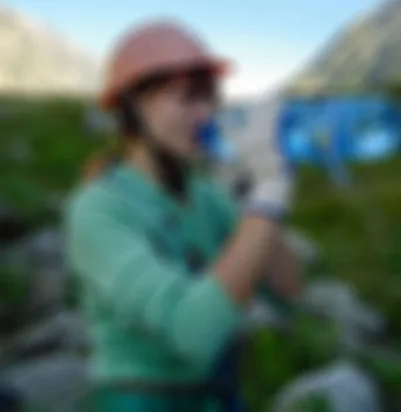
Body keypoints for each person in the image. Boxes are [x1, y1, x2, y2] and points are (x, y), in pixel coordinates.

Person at [65, 20, 301, 412]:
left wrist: (254, 202)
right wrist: (267, 199)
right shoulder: (99, 209)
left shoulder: (206, 194)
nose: (206, 113)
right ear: (132, 109)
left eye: (210, 97)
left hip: (213, 396)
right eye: (187, 98)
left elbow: (288, 291)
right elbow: (192, 331)